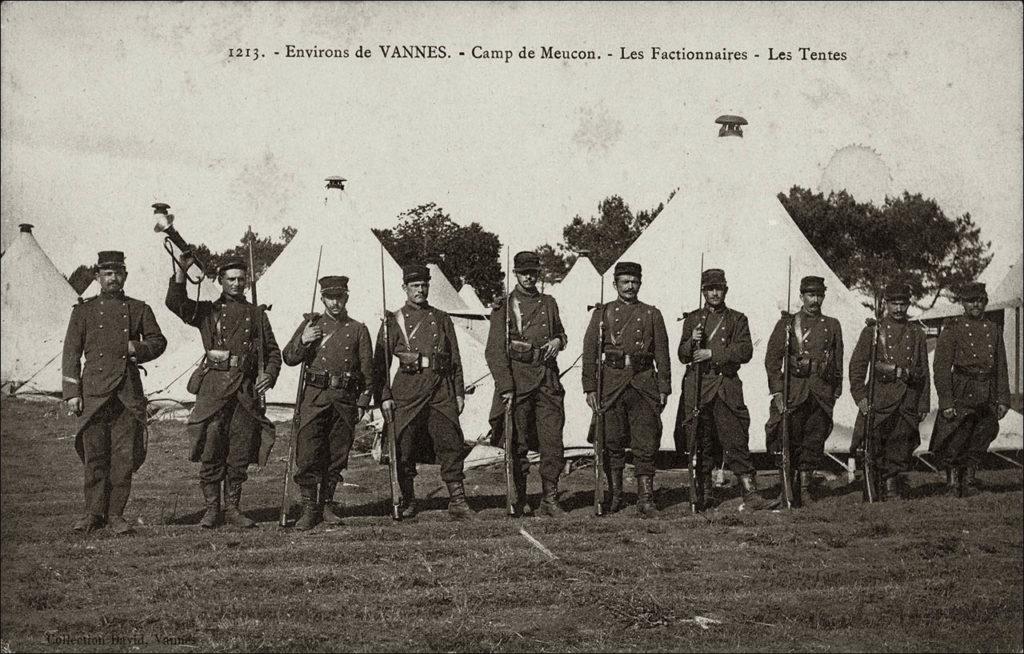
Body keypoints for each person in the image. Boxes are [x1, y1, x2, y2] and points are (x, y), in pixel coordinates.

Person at [166, 255, 281, 528]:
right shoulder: (207, 312)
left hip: (244, 393)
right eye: (231, 279)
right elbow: (176, 303)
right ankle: (211, 510)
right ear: (220, 281)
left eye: (242, 279)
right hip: (213, 392)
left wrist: (269, 374)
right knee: (211, 449)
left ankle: (232, 509)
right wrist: (181, 272)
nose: (237, 284)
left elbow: (273, 352)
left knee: (239, 452)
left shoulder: (257, 314)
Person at [62, 251, 167, 534]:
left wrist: (138, 348)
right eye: (107, 273)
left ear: (125, 276)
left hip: (126, 394)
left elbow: (159, 341)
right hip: (94, 393)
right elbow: (71, 352)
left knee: (123, 458)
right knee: (94, 457)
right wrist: (72, 392)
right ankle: (92, 514)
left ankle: (116, 516)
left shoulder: (138, 308)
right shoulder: (83, 311)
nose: (113, 278)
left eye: (118, 273)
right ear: (97, 277)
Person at [373, 264, 473, 520]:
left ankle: (458, 499)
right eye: (415, 286)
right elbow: (379, 366)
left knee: (450, 443)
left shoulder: (441, 318)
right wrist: (384, 396)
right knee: (404, 447)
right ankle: (407, 499)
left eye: (423, 285)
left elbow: (455, 359)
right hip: (407, 391)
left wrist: (458, 392)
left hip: (440, 389)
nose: (420, 290)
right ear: (405, 288)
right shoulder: (392, 321)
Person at [282, 275, 373, 530]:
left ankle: (327, 505)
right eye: (330, 297)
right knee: (309, 453)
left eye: (340, 297)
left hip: (344, 399)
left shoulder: (358, 329)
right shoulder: (311, 324)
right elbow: (289, 357)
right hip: (314, 397)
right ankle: (310, 509)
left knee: (336, 455)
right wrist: (304, 340)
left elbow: (367, 370)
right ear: (322, 298)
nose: (335, 302)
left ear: (347, 297)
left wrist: (363, 400)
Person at [582, 261, 671, 515]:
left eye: (634, 281)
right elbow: (590, 353)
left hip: (643, 384)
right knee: (612, 441)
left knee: (645, 443)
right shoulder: (602, 313)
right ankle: (615, 495)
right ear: (615, 284)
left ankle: (645, 498)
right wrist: (590, 387)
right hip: (611, 385)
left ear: (640, 283)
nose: (630, 286)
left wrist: (664, 386)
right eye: (624, 282)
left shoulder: (652, 314)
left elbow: (662, 354)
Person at [485, 251, 568, 516]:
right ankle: (519, 497)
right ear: (516, 274)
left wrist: (558, 341)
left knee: (552, 441)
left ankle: (550, 498)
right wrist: (506, 387)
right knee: (518, 443)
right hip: (519, 383)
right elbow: (495, 352)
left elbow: (561, 333)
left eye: (533, 272)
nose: (529, 277)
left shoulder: (549, 302)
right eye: (524, 273)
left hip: (547, 381)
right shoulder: (505, 307)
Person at [675, 268, 764, 509]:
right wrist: (691, 341)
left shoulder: (737, 319)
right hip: (699, 387)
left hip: (725, 385)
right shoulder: (693, 319)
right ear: (703, 291)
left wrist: (712, 353)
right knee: (700, 441)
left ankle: (750, 492)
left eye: (719, 288)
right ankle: (704, 493)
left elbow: (745, 351)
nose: (714, 293)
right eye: (709, 289)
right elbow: (682, 355)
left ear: (726, 290)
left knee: (735, 438)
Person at [764, 275, 843, 503]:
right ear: (801, 296)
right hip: (793, 391)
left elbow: (838, 359)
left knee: (814, 439)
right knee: (787, 437)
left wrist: (835, 390)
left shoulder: (832, 325)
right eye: (810, 295)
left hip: (820, 391)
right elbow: (772, 359)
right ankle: (787, 487)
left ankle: (806, 489)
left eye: (819, 295)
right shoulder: (787, 324)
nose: (815, 300)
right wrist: (778, 391)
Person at [848, 283, 931, 500]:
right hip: (879, 397)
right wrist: (860, 397)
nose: (898, 309)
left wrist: (923, 403)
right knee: (874, 441)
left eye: (903, 304)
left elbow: (924, 370)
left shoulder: (916, 333)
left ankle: (892, 485)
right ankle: (874, 483)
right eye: (894, 303)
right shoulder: (872, 332)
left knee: (901, 441)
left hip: (906, 398)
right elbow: (857, 366)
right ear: (885, 304)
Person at [929, 282, 1010, 495]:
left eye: (980, 300)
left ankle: (970, 480)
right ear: (962, 303)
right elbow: (941, 367)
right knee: (956, 435)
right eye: (971, 300)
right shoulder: (953, 328)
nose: (976, 304)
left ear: (985, 302)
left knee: (983, 432)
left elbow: (1001, 366)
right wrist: (946, 401)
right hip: (961, 389)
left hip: (986, 390)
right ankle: (953, 483)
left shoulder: (993, 329)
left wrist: (1003, 399)